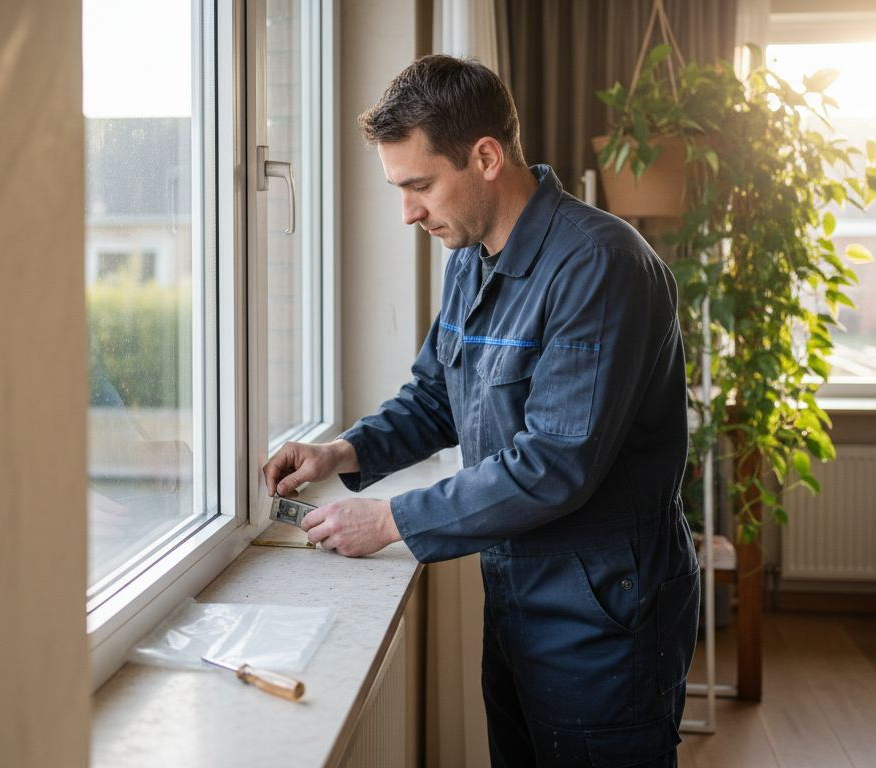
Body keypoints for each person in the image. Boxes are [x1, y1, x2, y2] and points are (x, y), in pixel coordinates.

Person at [261, 54, 699, 767]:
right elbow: (438, 396)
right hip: (520, 592)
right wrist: (342, 453)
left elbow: (555, 464)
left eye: (420, 186)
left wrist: (393, 520)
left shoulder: (599, 265)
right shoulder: (472, 255)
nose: (408, 212)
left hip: (605, 616)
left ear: (487, 157)